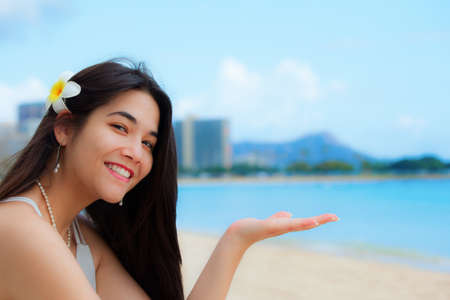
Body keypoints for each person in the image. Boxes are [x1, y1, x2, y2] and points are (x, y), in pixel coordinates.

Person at [0, 59, 339, 300]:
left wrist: (235, 242)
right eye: (120, 127)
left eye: (148, 143)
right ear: (65, 128)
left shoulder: (78, 233)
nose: (136, 152)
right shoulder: (18, 228)